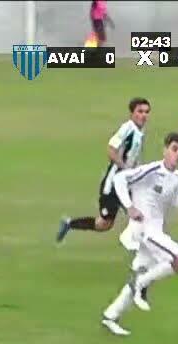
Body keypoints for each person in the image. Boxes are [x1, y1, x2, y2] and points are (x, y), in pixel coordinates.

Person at [100, 132, 178, 336]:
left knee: (142, 270)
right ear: (165, 150)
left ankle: (111, 316)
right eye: (174, 149)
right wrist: (129, 207)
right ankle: (141, 284)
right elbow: (120, 178)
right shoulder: (151, 171)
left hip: (156, 231)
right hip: (144, 230)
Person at [56, 97, 149, 243]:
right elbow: (111, 150)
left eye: (146, 112)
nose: (144, 115)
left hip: (127, 183)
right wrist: (125, 168)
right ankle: (69, 224)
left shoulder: (140, 131)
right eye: (140, 111)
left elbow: (133, 156)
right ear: (132, 113)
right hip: (113, 184)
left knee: (142, 213)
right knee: (105, 224)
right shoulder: (128, 128)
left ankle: (144, 247)